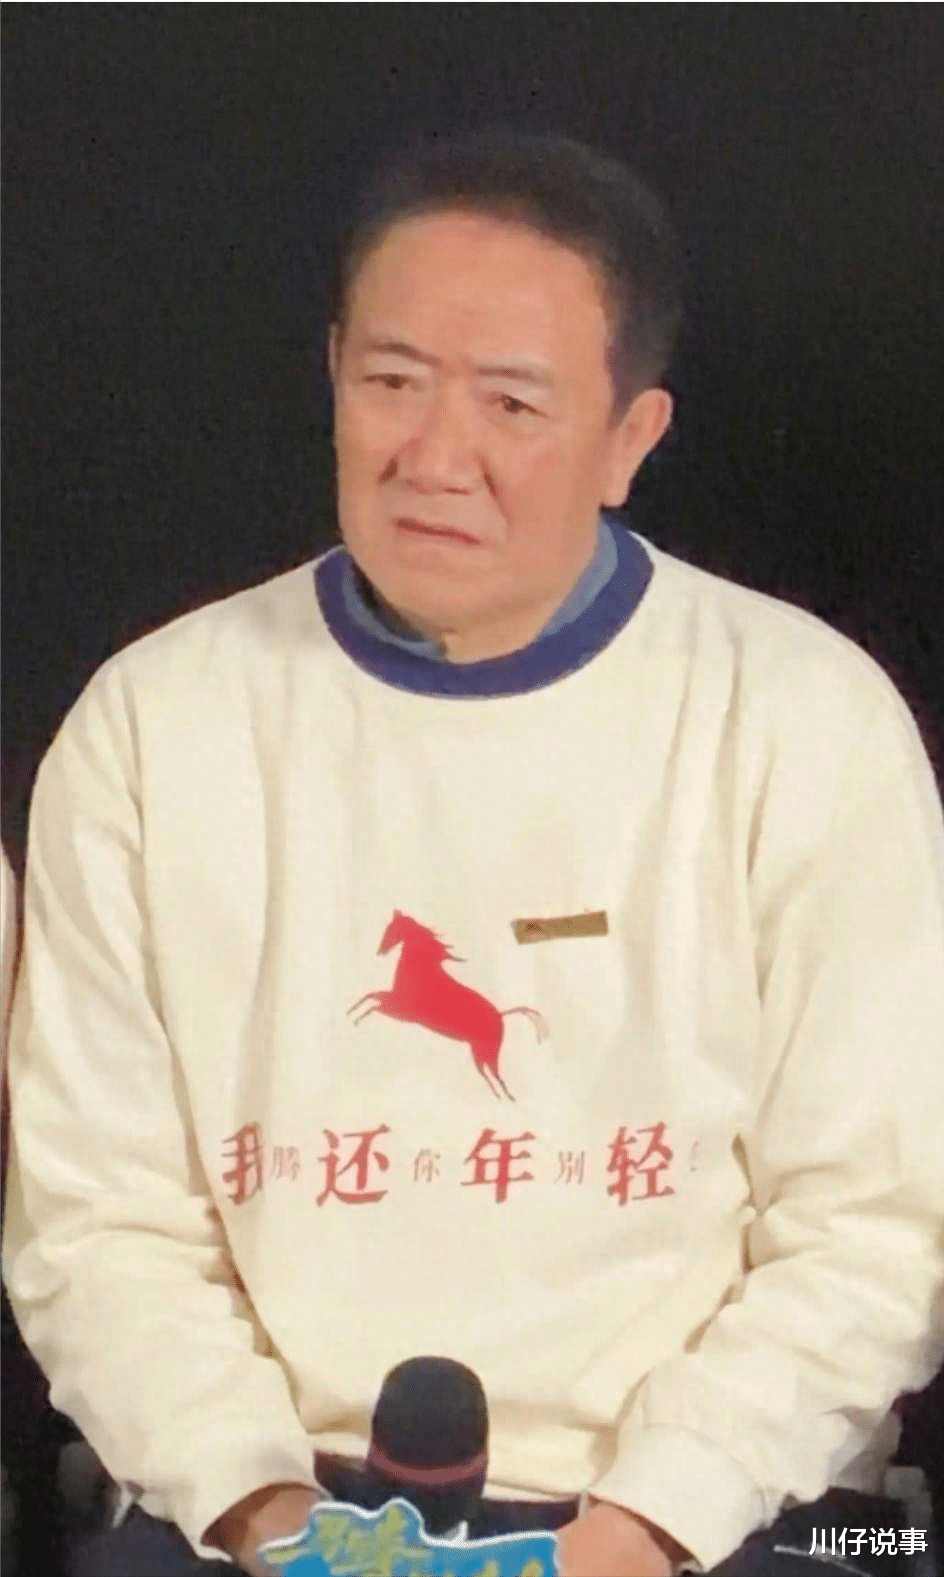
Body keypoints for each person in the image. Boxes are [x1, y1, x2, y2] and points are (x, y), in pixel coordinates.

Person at [3, 127, 944, 1577]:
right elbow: (97, 1227)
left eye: (512, 403)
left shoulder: (806, 719)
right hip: (261, 1514)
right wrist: (279, 1524)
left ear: (630, 438)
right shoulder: (151, 724)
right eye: (392, 383)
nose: (437, 458)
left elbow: (876, 1230)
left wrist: (639, 1530)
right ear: (333, 375)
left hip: (722, 1516)